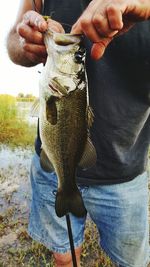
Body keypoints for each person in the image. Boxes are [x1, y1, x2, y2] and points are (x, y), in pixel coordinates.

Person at [7, 0, 150, 266]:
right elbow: (14, 41)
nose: (75, 49)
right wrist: (24, 41)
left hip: (125, 172)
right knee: (63, 256)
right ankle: (67, 187)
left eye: (77, 56)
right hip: (52, 170)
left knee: (133, 262)